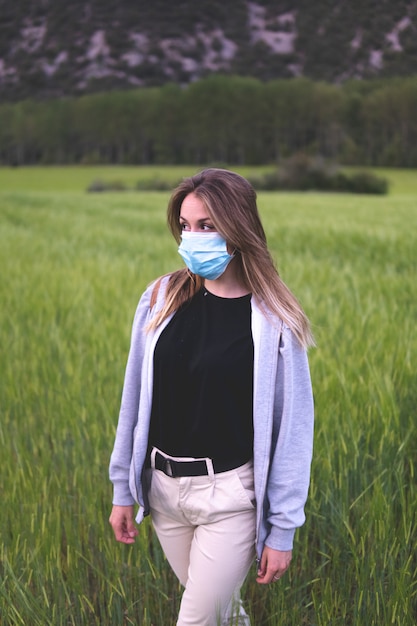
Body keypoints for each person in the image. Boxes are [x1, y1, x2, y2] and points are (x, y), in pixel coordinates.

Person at [109, 168, 314, 626]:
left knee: (197, 621)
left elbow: (293, 433)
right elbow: (134, 398)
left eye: (206, 226)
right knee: (225, 615)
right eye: (185, 225)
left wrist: (281, 531)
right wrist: (124, 487)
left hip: (230, 500)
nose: (191, 237)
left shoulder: (274, 322)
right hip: (164, 495)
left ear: (238, 229)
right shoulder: (162, 297)